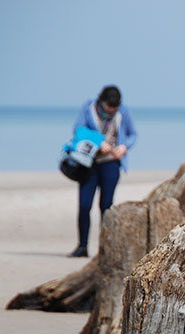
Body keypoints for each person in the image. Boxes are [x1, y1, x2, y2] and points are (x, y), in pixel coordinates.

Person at [69, 85, 137, 258]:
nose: (112, 110)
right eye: (109, 107)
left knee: (106, 207)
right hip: (89, 163)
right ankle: (82, 246)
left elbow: (133, 134)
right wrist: (99, 141)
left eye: (115, 107)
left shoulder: (123, 112)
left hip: (111, 163)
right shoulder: (89, 108)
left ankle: (105, 249)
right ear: (102, 101)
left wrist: (124, 147)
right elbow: (78, 130)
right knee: (84, 205)